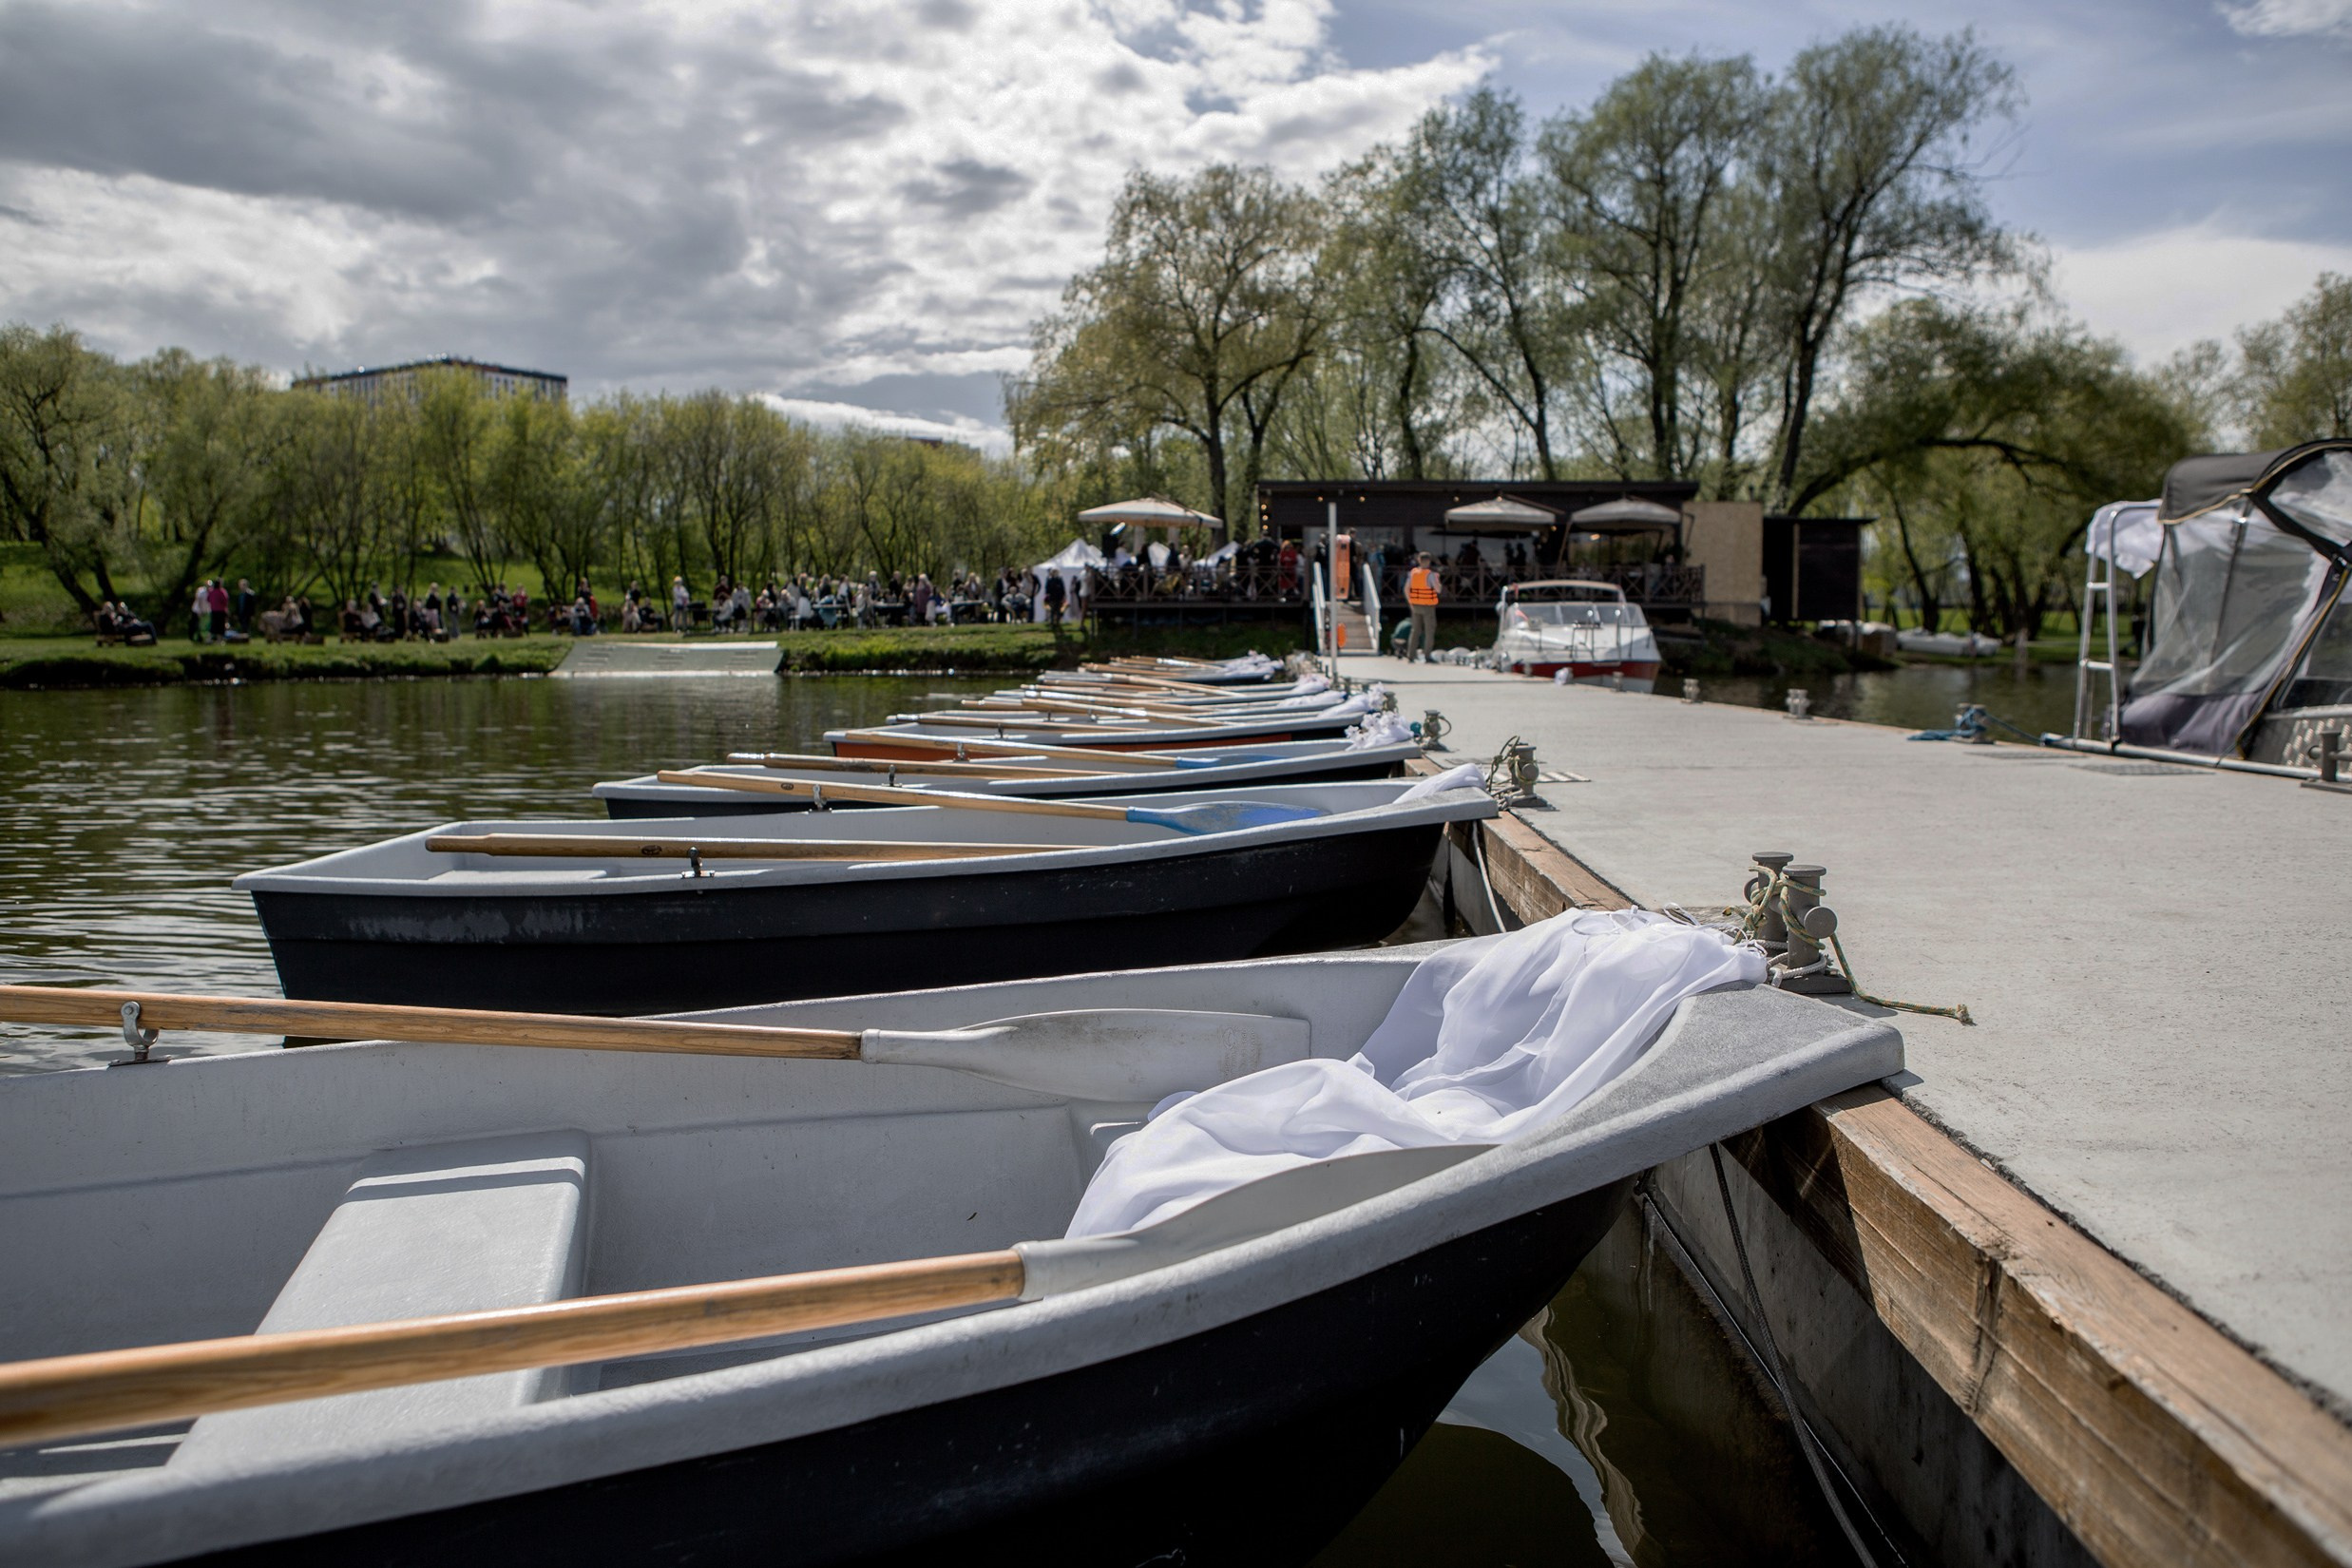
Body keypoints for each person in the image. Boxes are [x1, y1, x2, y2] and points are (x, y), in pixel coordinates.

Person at [1405, 551, 1442, 662]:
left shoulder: (1413, 573)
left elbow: (1407, 589)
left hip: (1415, 605)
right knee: (1429, 631)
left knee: (1415, 630)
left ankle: (1411, 655)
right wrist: (1438, 580)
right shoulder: (1430, 575)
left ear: (1419, 560)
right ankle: (1427, 655)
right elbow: (1438, 589)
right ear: (1429, 561)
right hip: (1428, 606)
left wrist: (1410, 602)